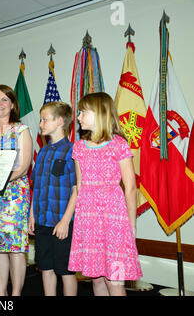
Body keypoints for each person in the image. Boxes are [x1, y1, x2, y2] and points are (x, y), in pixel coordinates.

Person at [68, 92, 142, 296]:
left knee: (115, 281)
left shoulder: (118, 144)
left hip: (114, 222)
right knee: (97, 279)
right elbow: (80, 186)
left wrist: (131, 223)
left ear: (100, 113)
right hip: (89, 222)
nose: (79, 116)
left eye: (83, 112)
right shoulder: (80, 147)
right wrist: (78, 224)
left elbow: (130, 186)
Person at [0, 84, 33, 296]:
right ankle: (1, 294)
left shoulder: (21, 130)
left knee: (15, 248)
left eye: (4, 99)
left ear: (12, 105)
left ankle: (16, 294)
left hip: (14, 197)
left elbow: (23, 167)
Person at [28, 101, 78, 296]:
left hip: (62, 223)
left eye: (44, 119)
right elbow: (37, 187)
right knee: (46, 268)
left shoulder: (72, 151)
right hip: (42, 221)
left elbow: (76, 190)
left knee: (65, 271)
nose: (40, 124)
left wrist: (65, 221)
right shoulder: (42, 152)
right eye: (40, 119)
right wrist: (32, 214)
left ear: (59, 121)